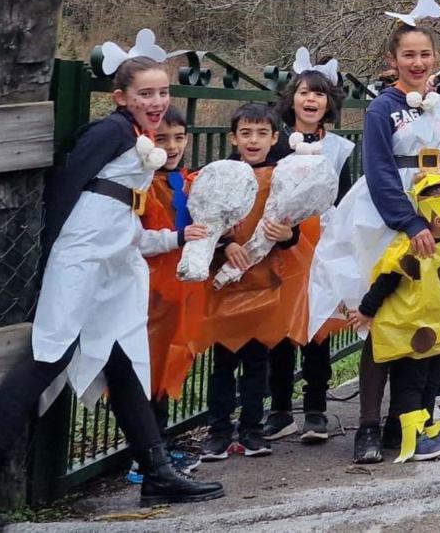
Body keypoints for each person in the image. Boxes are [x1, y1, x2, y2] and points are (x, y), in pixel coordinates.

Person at [0, 39, 222, 530]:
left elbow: (121, 221)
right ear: (121, 97)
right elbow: (71, 187)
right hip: (82, 262)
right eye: (145, 93)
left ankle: (155, 470)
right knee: (52, 353)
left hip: (113, 267)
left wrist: (173, 237)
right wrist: (47, 255)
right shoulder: (111, 132)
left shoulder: (137, 143)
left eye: (162, 93)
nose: (156, 103)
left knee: (123, 360)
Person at [306, 0, 440, 465]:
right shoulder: (384, 107)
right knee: (382, 321)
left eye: (425, 54)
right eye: (408, 55)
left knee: (431, 314)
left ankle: (416, 418)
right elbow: (379, 170)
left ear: (435, 58)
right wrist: (410, 221)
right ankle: (367, 426)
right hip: (392, 214)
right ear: (393, 60)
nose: (418, 63)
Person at [197, 104, 301, 462]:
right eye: (245, 133)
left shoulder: (282, 177)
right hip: (226, 285)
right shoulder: (218, 175)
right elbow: (205, 222)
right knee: (223, 363)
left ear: (275, 138)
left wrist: (286, 233)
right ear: (233, 138)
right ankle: (219, 431)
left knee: (258, 363)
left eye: (261, 133)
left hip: (262, 282)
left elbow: (292, 233)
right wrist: (226, 245)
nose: (253, 140)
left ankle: (252, 430)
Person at [344, 171, 440, 462]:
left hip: (438, 328)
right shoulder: (410, 248)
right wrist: (366, 310)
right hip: (412, 327)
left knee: (432, 378)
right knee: (411, 382)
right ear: (438, 221)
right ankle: (406, 434)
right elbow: (387, 279)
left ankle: (419, 427)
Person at [264, 53, 356, 444]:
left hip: (322, 242)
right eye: (304, 92)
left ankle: (316, 406)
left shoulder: (339, 148)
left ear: (328, 103)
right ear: (292, 99)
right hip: (283, 240)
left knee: (317, 324)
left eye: (319, 94)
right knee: (282, 325)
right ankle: (280, 409)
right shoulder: (275, 142)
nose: (311, 101)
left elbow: (347, 197)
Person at [131, 108, 205, 482]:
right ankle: (144, 457)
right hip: (148, 290)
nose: (172, 146)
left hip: (179, 289)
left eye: (179, 137)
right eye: (162, 139)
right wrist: (175, 239)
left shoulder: (186, 181)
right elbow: (133, 239)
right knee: (146, 368)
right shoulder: (140, 184)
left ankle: (158, 448)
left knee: (166, 368)